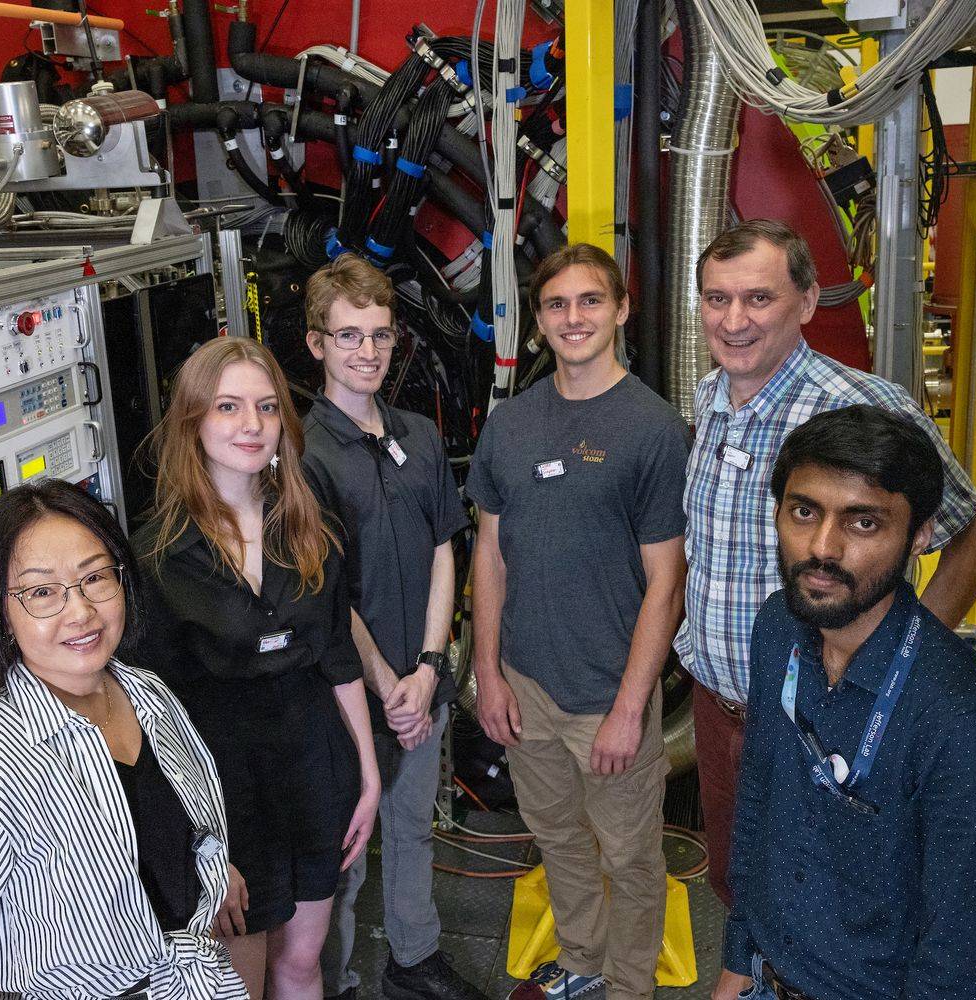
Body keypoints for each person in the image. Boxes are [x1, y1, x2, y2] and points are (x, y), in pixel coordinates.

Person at [678, 218, 976, 907]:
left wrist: (902, 666)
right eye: (716, 299)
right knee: (738, 887)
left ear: (806, 301)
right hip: (720, 711)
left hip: (820, 722)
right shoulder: (710, 401)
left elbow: (974, 535)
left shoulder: (860, 406)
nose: (733, 320)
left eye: (758, 299)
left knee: (830, 905)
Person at [0, 479, 248, 1000]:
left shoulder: (147, 695)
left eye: (95, 578)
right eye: (42, 592)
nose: (81, 612)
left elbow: (170, 821)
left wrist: (211, 868)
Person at [713, 405, 976, 1000]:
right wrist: (737, 961)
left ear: (919, 536)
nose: (822, 547)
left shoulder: (965, 727)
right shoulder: (778, 629)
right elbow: (758, 798)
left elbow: (960, 959)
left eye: (863, 524)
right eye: (803, 511)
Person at [467, 243, 688, 1000]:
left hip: (607, 694)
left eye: (590, 300)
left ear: (621, 310)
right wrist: (486, 674)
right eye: (557, 305)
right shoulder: (512, 424)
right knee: (557, 837)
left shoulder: (653, 429)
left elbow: (666, 583)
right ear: (539, 321)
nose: (574, 318)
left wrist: (632, 709)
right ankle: (585, 961)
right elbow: (489, 554)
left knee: (630, 856)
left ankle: (631, 987)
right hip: (526, 686)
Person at [131, 336, 380, 1000]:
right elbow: (148, 720)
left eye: (267, 407)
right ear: (194, 421)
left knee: (302, 962)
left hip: (315, 768)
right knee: (236, 980)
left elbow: (337, 654)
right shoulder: (159, 556)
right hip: (224, 795)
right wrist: (198, 844)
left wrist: (369, 773)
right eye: (229, 407)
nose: (251, 425)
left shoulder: (308, 523)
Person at [298, 255, 484, 1000]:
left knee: (411, 829)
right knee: (344, 856)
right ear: (317, 345)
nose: (367, 352)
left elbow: (446, 546)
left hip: (423, 683)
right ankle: (334, 983)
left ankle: (414, 962)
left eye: (379, 335)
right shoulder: (301, 456)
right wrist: (387, 685)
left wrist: (432, 667)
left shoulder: (419, 435)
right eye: (349, 336)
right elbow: (325, 588)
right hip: (349, 697)